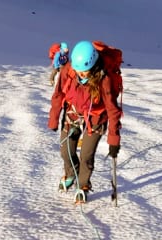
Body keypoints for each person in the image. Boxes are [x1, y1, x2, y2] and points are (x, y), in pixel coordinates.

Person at [48, 40, 122, 202]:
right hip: (73, 114)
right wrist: (54, 118)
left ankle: (83, 185)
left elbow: (112, 110)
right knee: (66, 150)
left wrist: (114, 139)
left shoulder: (104, 79)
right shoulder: (69, 69)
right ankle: (70, 173)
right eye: (78, 70)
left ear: (94, 65)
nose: (81, 73)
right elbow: (58, 94)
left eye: (85, 71)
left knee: (86, 155)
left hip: (95, 118)